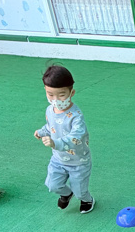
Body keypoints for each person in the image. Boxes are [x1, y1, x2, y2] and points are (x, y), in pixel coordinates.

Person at [33, 63, 95, 213]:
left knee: (80, 190)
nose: (56, 100)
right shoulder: (50, 110)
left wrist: (55, 143)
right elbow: (51, 126)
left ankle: (87, 200)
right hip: (58, 159)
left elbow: (76, 138)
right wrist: (42, 132)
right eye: (50, 94)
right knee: (52, 185)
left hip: (78, 161)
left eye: (61, 95)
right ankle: (66, 194)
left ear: (71, 92)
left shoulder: (76, 116)